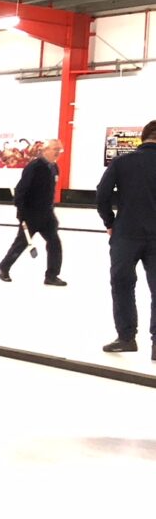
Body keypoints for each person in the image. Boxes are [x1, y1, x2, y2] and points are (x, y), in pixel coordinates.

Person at [96, 118, 156, 359]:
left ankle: (126, 337)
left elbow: (102, 195)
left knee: (122, 285)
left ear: (143, 138)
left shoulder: (122, 162)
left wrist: (110, 222)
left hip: (125, 235)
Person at [0, 139, 67, 285]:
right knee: (21, 244)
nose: (58, 153)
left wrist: (51, 211)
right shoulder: (34, 166)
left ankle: (51, 276)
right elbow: (21, 189)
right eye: (55, 149)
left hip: (47, 215)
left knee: (54, 244)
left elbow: (49, 191)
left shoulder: (54, 167)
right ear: (45, 149)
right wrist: (21, 212)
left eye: (60, 150)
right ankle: (3, 268)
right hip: (31, 214)